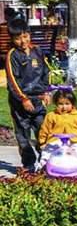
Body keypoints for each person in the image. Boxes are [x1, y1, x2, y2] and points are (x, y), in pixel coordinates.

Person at [5, 18, 49, 174]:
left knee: (43, 131)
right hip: (20, 103)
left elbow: (46, 72)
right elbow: (12, 81)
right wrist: (23, 98)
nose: (23, 41)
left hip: (38, 100)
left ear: (29, 35)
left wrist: (46, 91)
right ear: (12, 39)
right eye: (18, 38)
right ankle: (28, 165)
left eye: (25, 36)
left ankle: (45, 162)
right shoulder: (12, 55)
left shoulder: (37, 51)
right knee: (23, 135)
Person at [37, 88, 77, 174]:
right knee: (48, 150)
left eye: (67, 104)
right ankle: (43, 165)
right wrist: (43, 142)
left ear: (72, 104)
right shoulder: (51, 116)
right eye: (60, 104)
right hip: (56, 140)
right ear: (56, 104)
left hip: (75, 140)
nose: (64, 107)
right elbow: (45, 129)